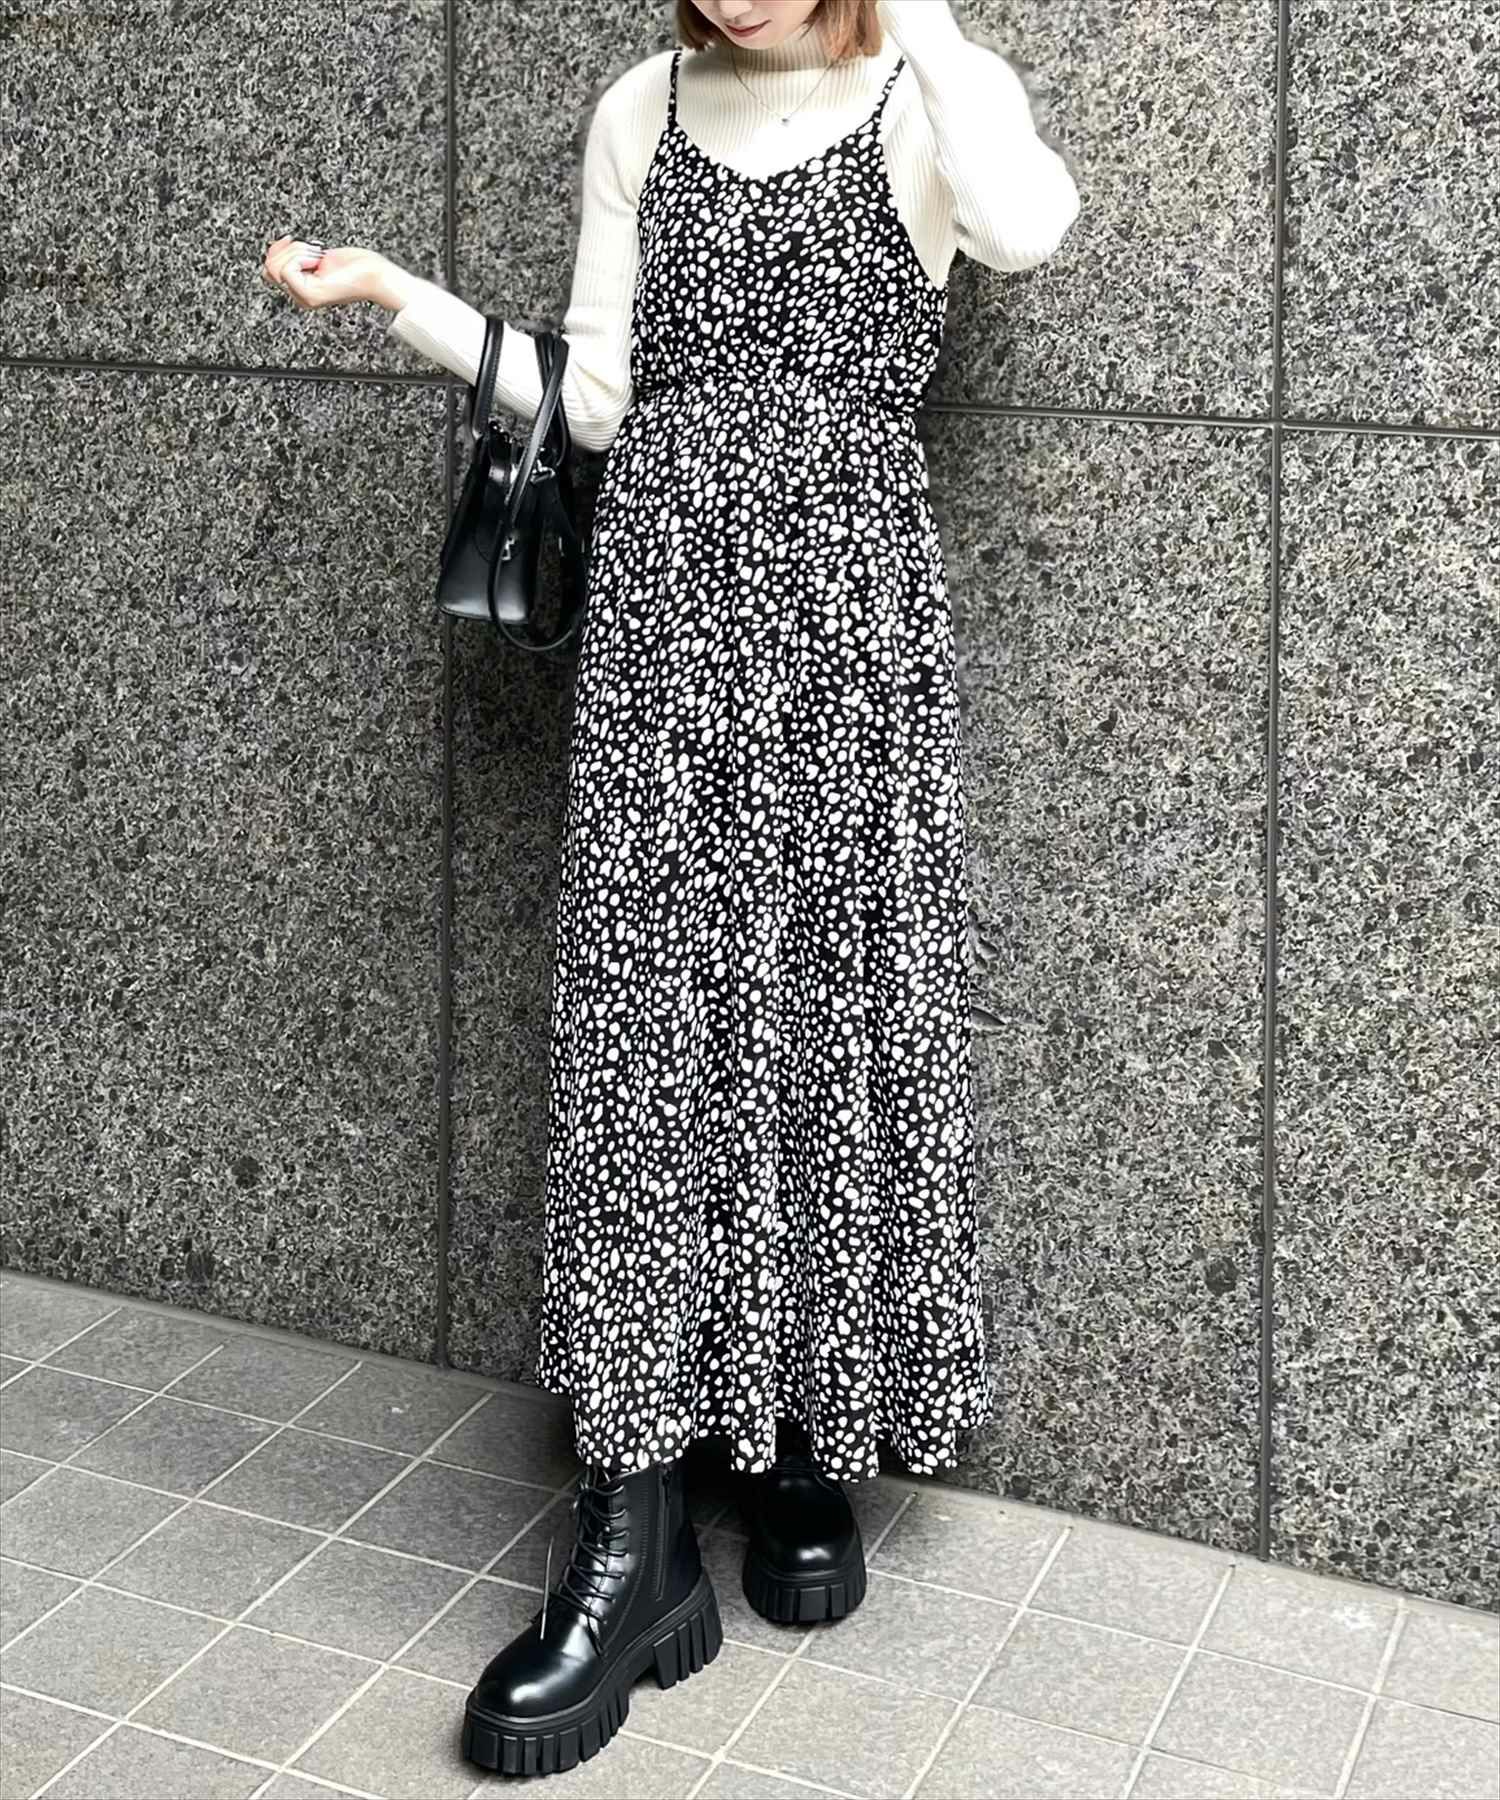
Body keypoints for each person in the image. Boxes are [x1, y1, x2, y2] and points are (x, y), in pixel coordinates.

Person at [262, 0, 1079, 1778]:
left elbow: (1026, 225)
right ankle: (630, 1542)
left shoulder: (925, 89)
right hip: (666, 638)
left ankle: (800, 1443)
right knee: (648, 1046)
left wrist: (924, 19)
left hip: (850, 641)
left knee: (829, 1022)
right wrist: (397, 296)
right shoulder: (641, 105)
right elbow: (599, 399)